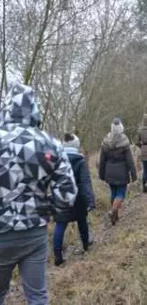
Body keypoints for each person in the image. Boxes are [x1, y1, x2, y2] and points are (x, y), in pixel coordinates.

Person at [0, 83, 77, 305]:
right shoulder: (50, 143)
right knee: (37, 296)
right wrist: (47, 210)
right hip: (33, 233)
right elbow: (67, 194)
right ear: (35, 109)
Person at [53, 133, 96, 266]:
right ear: (76, 145)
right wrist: (90, 200)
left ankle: (58, 257)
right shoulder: (80, 161)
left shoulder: (56, 160)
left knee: (60, 225)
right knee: (82, 221)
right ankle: (86, 247)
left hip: (61, 196)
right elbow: (85, 183)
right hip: (78, 198)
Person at [99, 118, 137, 225]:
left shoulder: (106, 141)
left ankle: (115, 217)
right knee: (120, 194)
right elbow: (129, 160)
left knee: (114, 193)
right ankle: (112, 211)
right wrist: (133, 174)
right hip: (121, 172)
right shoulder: (124, 141)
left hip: (109, 172)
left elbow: (102, 160)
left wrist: (101, 174)